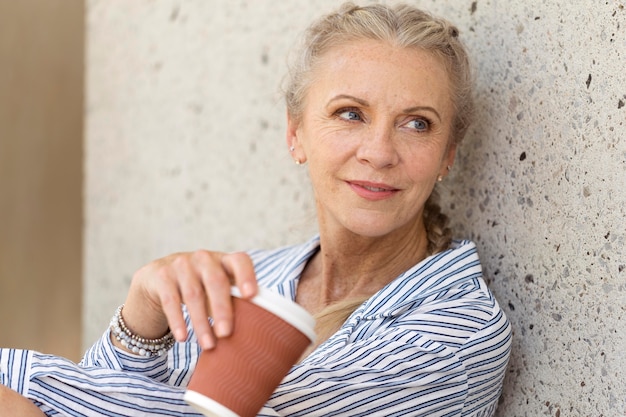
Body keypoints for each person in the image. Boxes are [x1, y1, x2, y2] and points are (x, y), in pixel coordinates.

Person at [0, 2, 511, 416]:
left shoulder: (458, 333)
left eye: (416, 123)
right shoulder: (253, 278)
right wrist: (142, 320)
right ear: (295, 133)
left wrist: (26, 400)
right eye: (350, 114)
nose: (379, 152)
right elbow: (105, 394)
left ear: (447, 154)